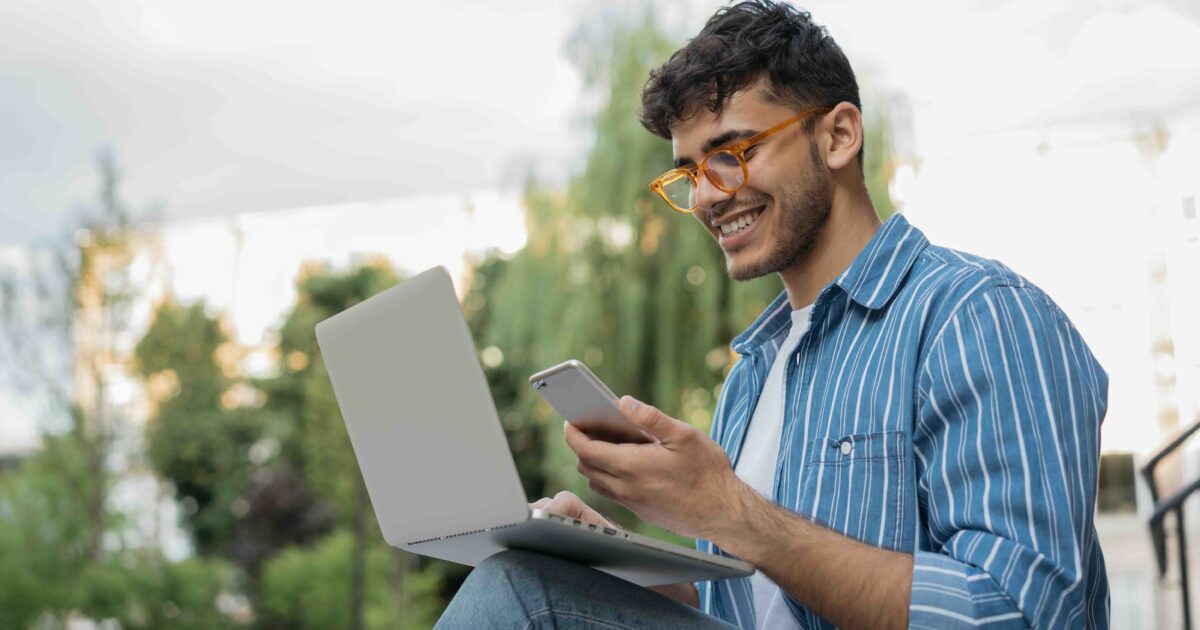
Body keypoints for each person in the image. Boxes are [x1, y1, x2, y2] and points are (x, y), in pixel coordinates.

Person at [437, 1, 1109, 628]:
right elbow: (746, 609)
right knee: (536, 575)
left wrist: (730, 511)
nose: (706, 197)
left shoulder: (977, 315)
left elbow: (1020, 611)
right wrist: (615, 560)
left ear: (839, 135)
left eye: (732, 154)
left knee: (519, 592)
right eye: (690, 173)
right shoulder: (752, 375)